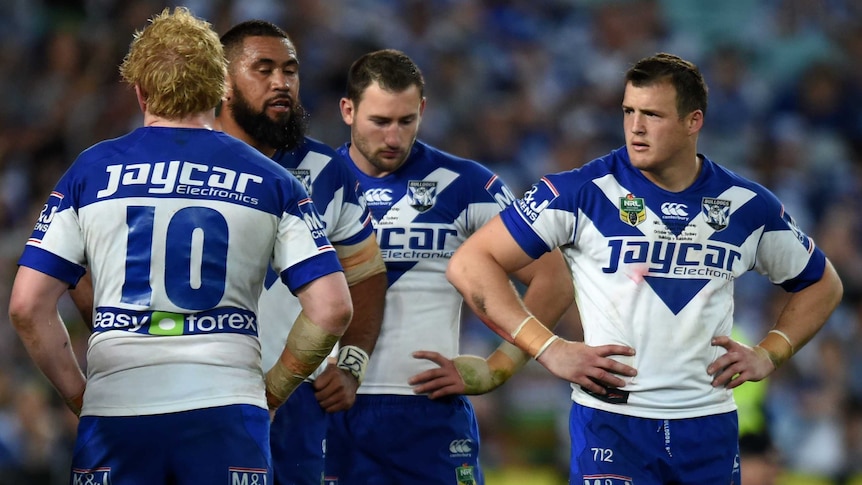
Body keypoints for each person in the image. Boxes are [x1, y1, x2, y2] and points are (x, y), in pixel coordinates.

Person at [445, 52, 844, 484]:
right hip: (613, 425)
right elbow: (470, 263)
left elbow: (822, 283)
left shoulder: (748, 206)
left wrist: (772, 352)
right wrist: (550, 349)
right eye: (629, 111)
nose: (635, 126)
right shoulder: (582, 191)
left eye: (651, 114)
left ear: (693, 122)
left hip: (709, 427)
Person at [7, 7, 353, 484]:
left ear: (140, 89)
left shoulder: (89, 172)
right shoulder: (275, 182)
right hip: (227, 409)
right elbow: (332, 308)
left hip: (117, 410)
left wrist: (81, 398)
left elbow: (27, 306)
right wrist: (271, 392)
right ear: (219, 88)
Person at [324, 48, 574, 484]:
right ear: (348, 110)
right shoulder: (307, 184)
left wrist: (498, 366)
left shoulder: (467, 185)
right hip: (328, 405)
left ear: (423, 109)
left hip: (428, 410)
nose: (393, 138)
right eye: (379, 122)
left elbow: (552, 278)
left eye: (406, 121)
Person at [217, 20, 387, 484]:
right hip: (206, 391)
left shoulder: (328, 169)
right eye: (263, 69)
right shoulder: (188, 158)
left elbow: (367, 273)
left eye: (290, 70)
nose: (281, 82)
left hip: (298, 399)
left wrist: (352, 363)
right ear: (223, 84)